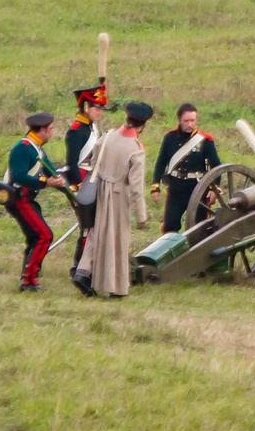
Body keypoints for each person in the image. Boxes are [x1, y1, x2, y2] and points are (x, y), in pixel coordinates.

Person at [79, 100, 150, 298]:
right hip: (119, 196)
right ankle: (116, 287)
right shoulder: (136, 148)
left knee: (97, 233)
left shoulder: (108, 135)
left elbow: (93, 161)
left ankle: (83, 272)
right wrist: (140, 215)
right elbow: (136, 186)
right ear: (143, 125)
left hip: (99, 190)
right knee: (117, 241)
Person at [3, 111, 66, 292]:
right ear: (42, 130)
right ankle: (29, 280)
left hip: (27, 198)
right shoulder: (23, 148)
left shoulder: (36, 146)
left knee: (35, 237)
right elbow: (20, 177)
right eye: (51, 129)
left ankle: (29, 276)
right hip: (19, 198)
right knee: (44, 235)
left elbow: (51, 171)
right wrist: (46, 183)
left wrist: (65, 185)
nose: (52, 133)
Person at [62, 84, 106, 282]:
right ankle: (78, 266)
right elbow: (71, 163)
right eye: (97, 108)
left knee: (92, 227)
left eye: (101, 108)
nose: (100, 112)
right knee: (87, 227)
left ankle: (84, 265)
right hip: (82, 183)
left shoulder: (91, 127)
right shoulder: (76, 131)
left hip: (93, 179)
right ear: (86, 107)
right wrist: (79, 187)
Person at [154, 104, 219, 235]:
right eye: (186, 121)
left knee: (199, 227)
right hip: (176, 189)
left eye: (192, 120)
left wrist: (214, 189)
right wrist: (155, 186)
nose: (190, 124)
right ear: (179, 120)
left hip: (197, 189)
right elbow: (161, 162)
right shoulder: (170, 138)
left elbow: (216, 166)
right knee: (170, 225)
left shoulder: (205, 141)